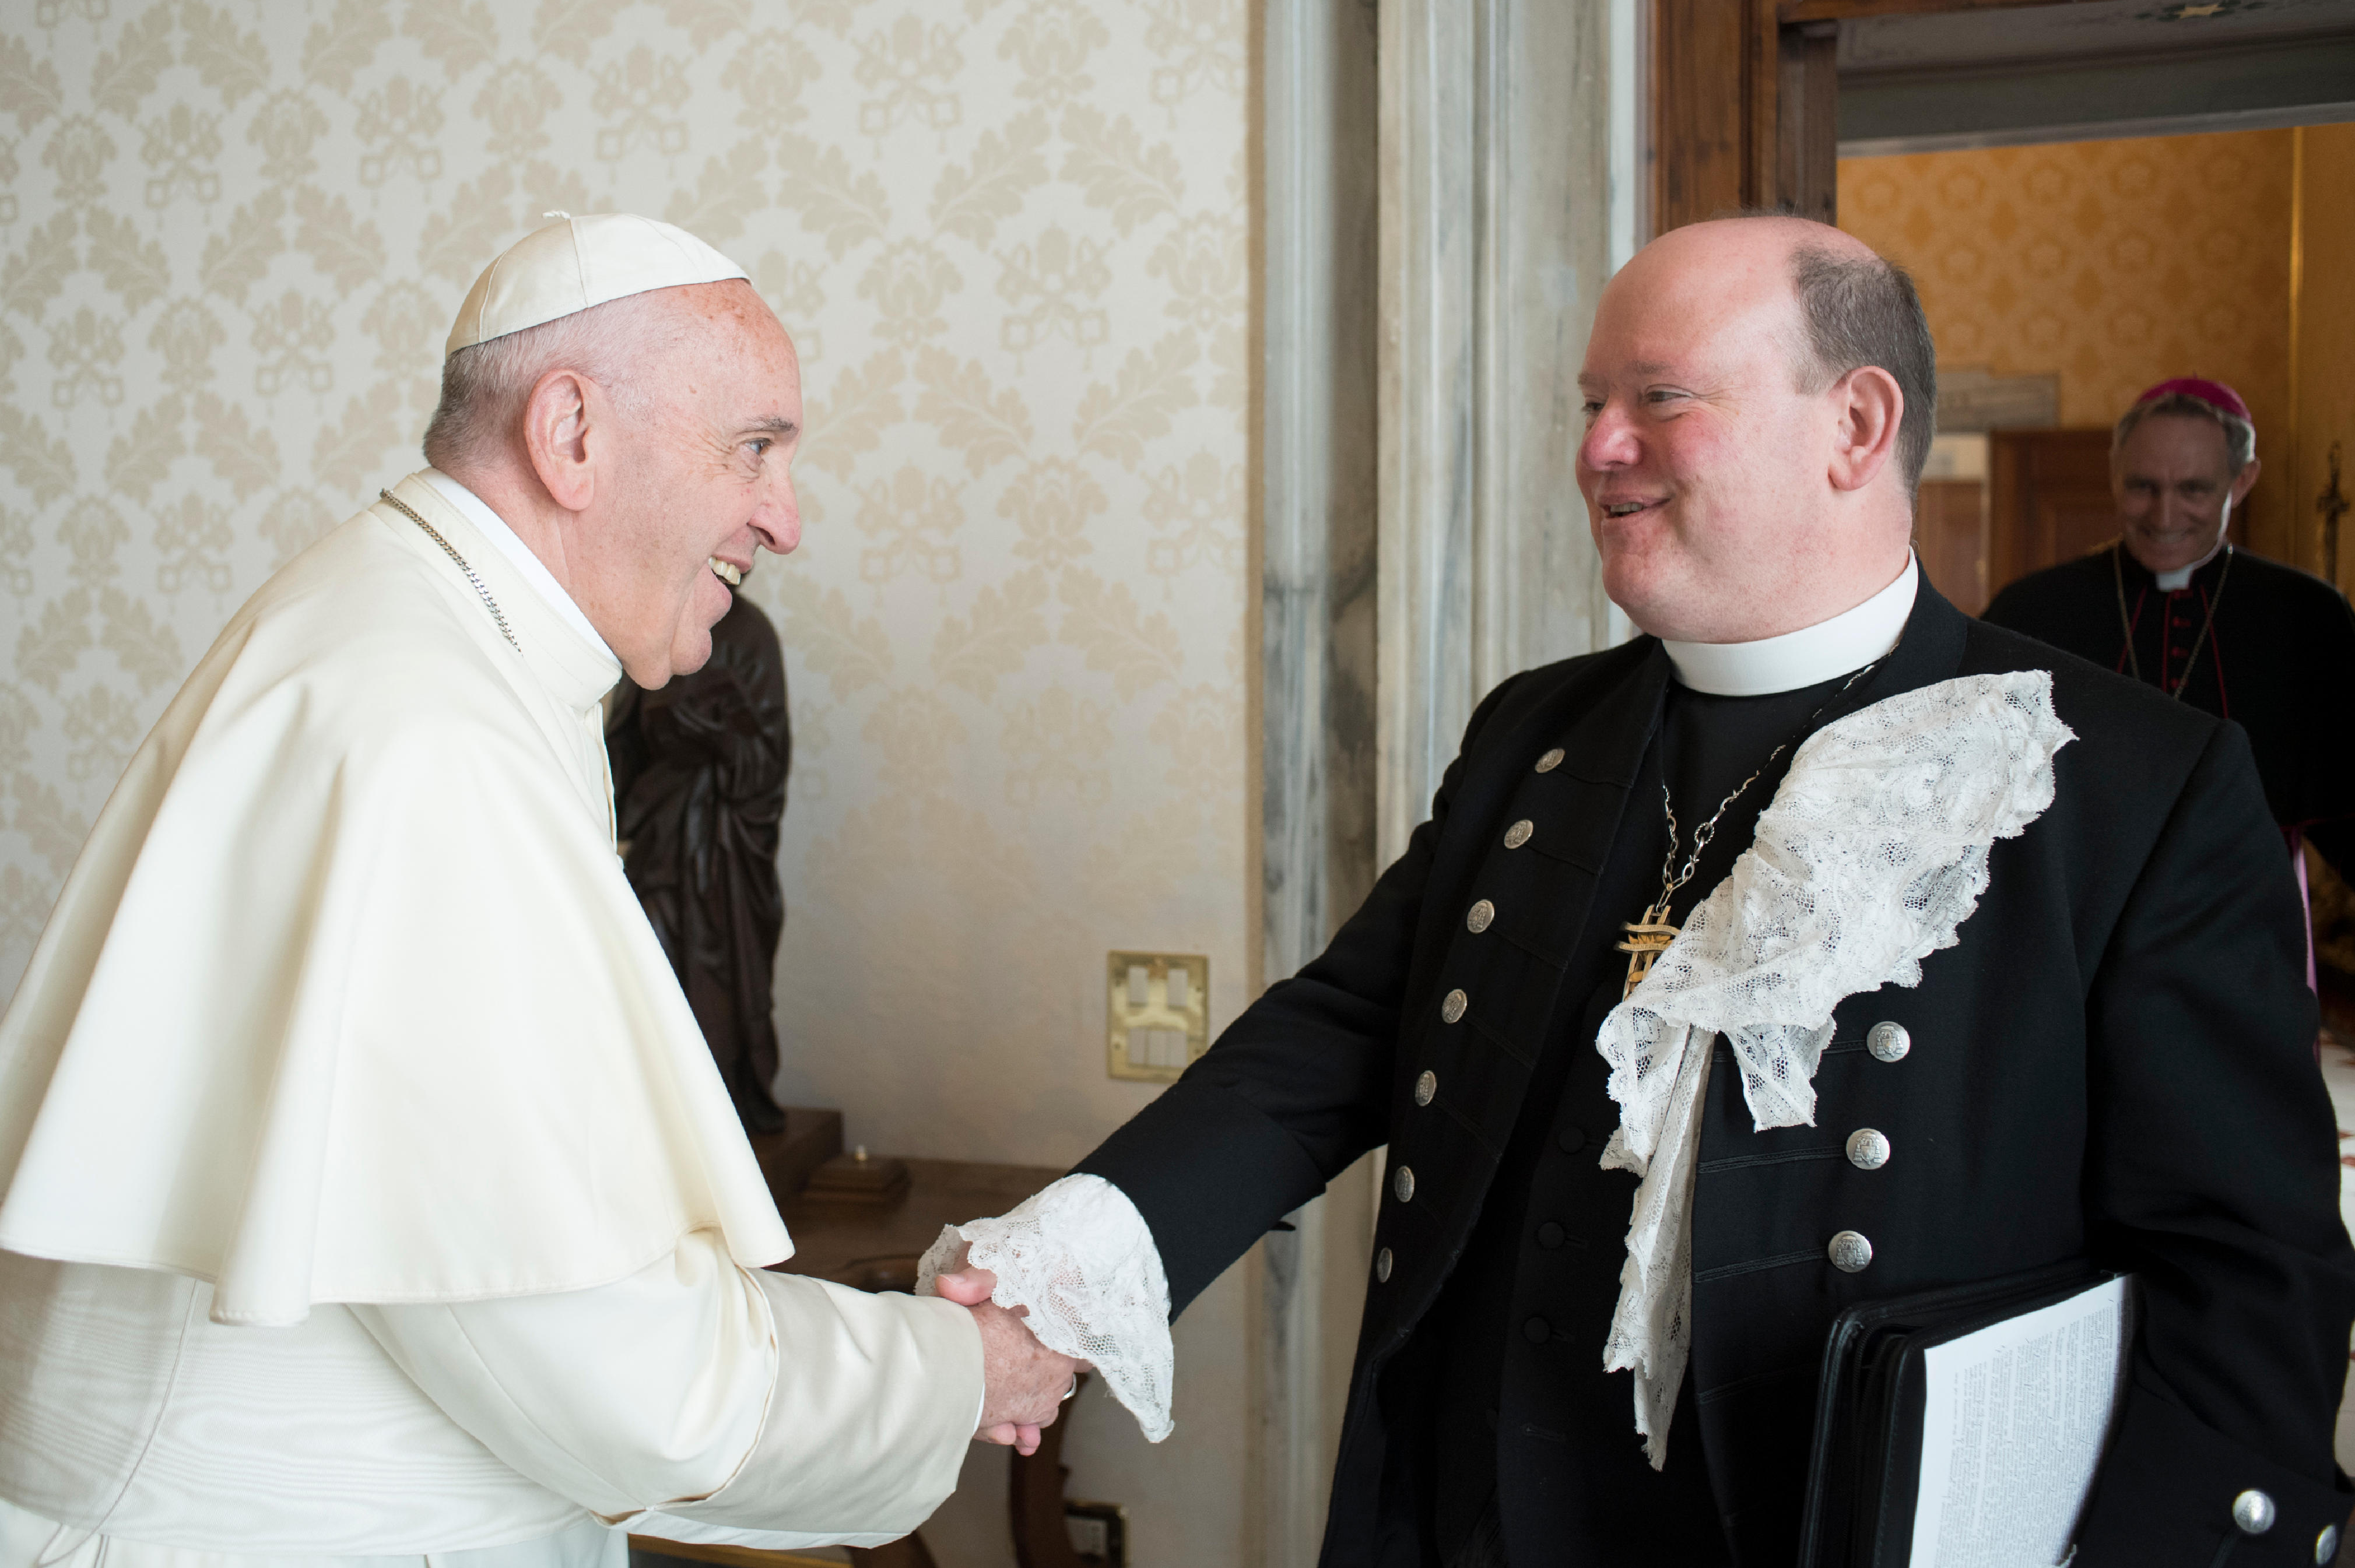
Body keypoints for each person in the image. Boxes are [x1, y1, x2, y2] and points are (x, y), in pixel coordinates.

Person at [925, 217, 2355, 1566]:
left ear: (1856, 425)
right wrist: (1068, 1269)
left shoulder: (2126, 787)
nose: (1599, 447)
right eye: (1591, 402)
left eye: (1660, 397)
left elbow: (2245, 1288)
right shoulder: (1538, 731)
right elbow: (1342, 1031)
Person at [0, 214, 1079, 1568]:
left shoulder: (416, 635)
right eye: (754, 447)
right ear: (570, 434)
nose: (786, 519)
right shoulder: (425, 731)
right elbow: (616, 1369)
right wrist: (955, 1367)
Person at [1981, 379, 2355, 964]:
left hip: (2245, 929)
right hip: (2078, 933)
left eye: (2194, 490)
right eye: (2142, 487)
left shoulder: (2305, 615)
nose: (2164, 514)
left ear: (2242, 481)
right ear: (2114, 475)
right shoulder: (2032, 610)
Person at [606, 589, 794, 1135]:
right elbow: (621, 744)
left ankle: (723, 1113)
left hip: (725, 852)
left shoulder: (751, 634)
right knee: (651, 963)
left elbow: (766, 762)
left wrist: (716, 733)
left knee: (721, 979)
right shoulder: (655, 620)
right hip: (661, 838)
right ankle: (660, 1120)